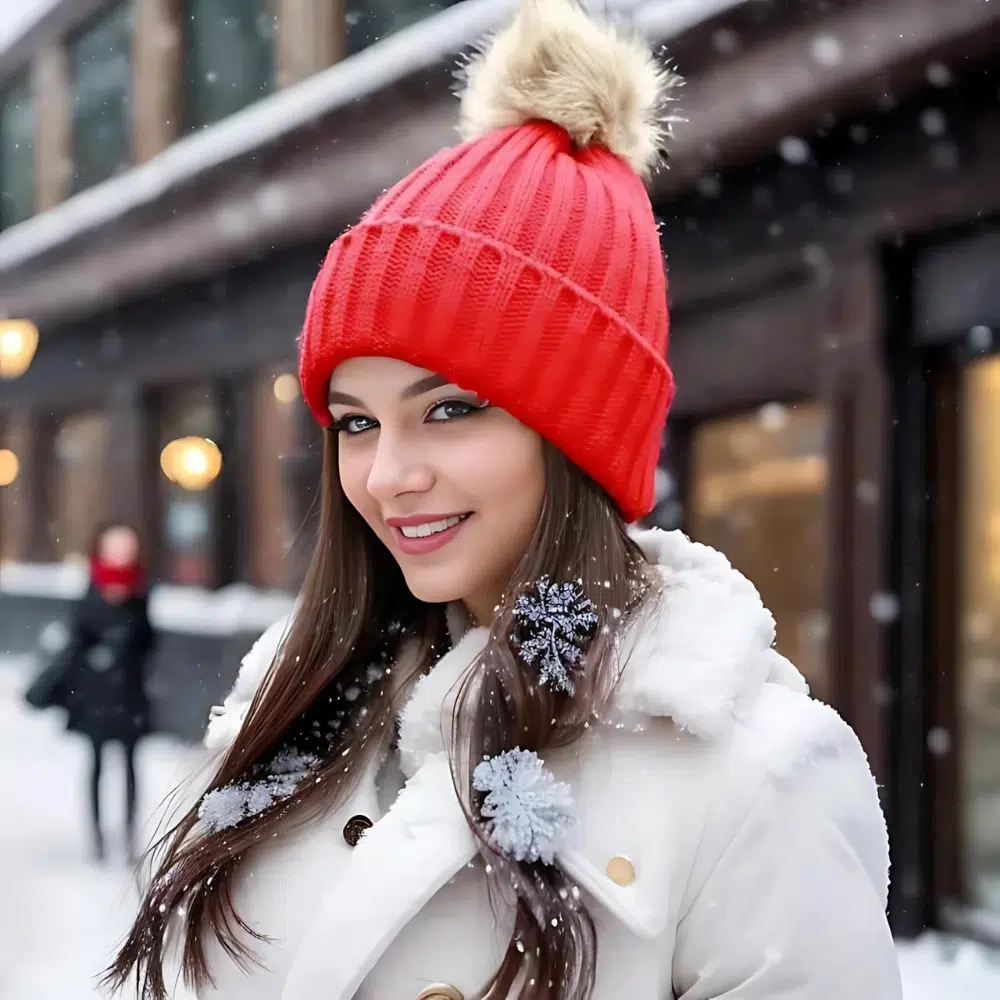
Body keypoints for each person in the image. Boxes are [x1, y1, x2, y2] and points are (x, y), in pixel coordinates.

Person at [107, 1, 903, 997]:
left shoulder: (751, 779)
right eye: (356, 422)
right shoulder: (295, 707)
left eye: (449, 411)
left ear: (573, 434)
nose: (389, 473)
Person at [50, 523, 155, 862]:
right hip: (96, 696)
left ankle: (127, 833)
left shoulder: (140, 590)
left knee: (129, 765)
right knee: (96, 764)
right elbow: (78, 639)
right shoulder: (91, 589)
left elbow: (150, 641)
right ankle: (96, 836)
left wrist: (128, 626)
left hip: (129, 696)